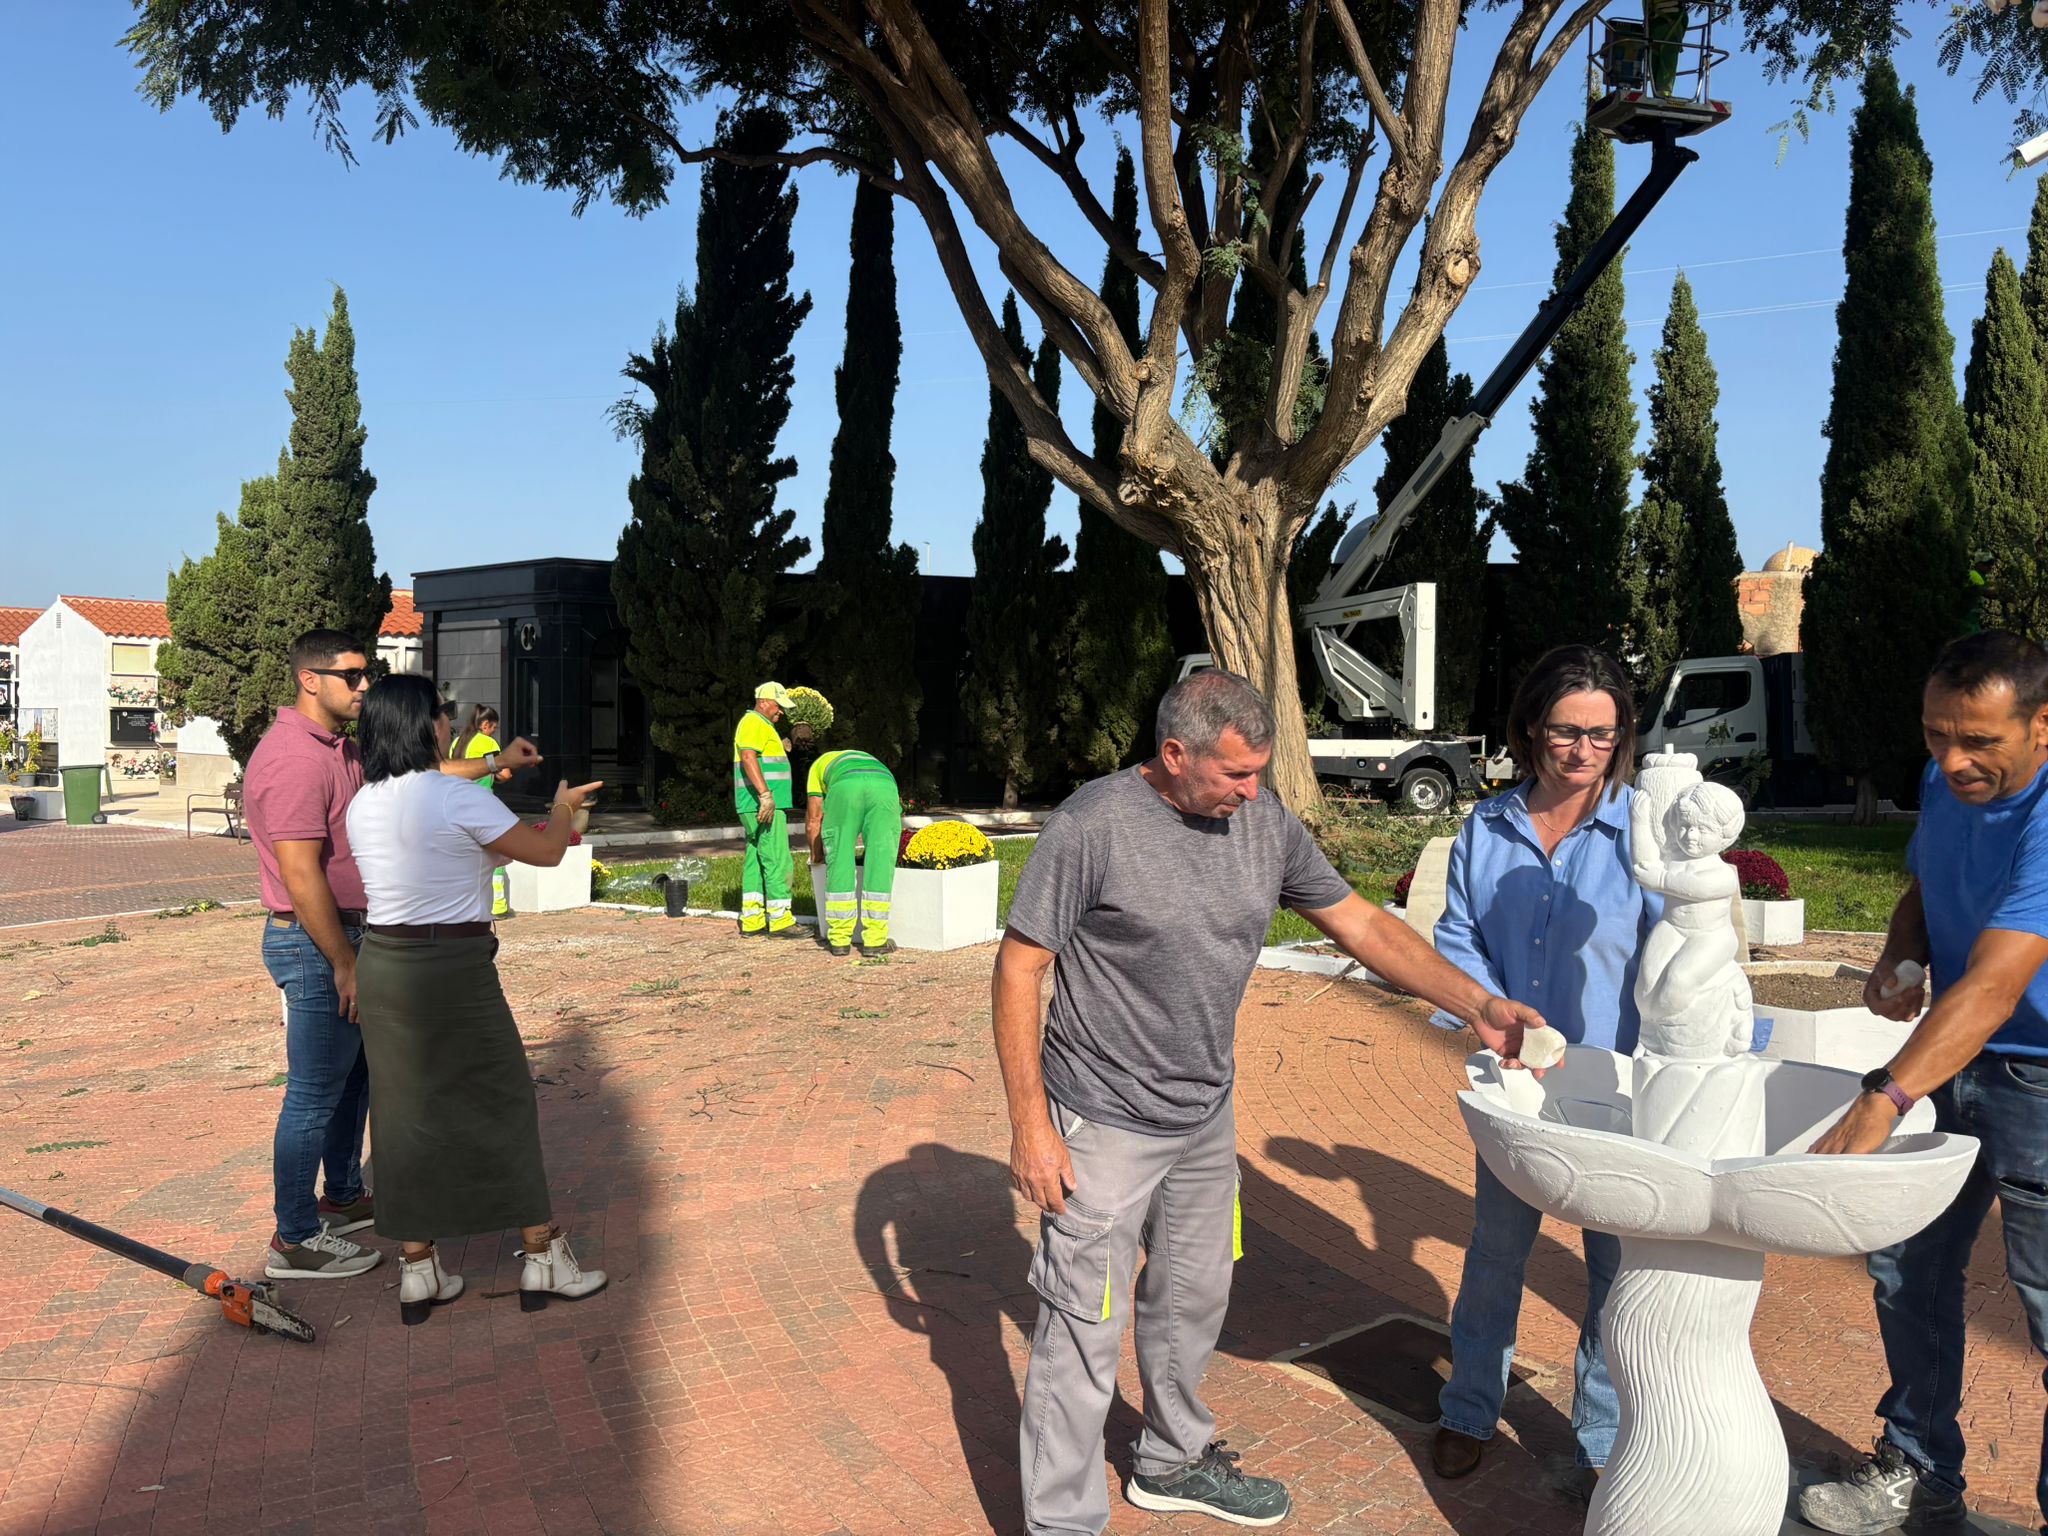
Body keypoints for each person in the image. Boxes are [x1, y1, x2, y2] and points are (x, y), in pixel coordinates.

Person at [995, 669, 1549, 1535]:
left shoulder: (1262, 824)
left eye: (1260, 773)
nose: (1253, 794)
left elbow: (1360, 923)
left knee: (1193, 1299)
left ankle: (1172, 1463)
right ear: (1174, 754)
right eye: (1235, 776)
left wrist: (1478, 1005)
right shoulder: (1093, 825)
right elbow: (1022, 965)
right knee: (1080, 1330)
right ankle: (1063, 1521)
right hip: (1099, 1117)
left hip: (1203, 1117)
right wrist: (1031, 1124)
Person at [1800, 631, 2048, 1536]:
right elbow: (1923, 882)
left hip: (2040, 1083)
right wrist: (1901, 953)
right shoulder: (1945, 785)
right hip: (1957, 1062)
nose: (1952, 759)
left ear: (2043, 725)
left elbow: (1994, 982)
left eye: (1978, 739)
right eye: (1937, 734)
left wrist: (1884, 1095)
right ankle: (1920, 1468)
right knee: (1909, 1268)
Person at [1430, 644, 1659, 1483]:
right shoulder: (1486, 829)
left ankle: (1600, 1440)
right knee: (1496, 1254)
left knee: (1613, 1269)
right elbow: (1457, 938)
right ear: (1532, 730)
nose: (1584, 752)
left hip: (1618, 1088)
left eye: (1604, 735)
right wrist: (1493, 1021)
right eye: (1567, 732)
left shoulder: (1643, 833)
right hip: (1518, 1086)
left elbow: (1677, 951)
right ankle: (1470, 1408)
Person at [245, 632, 538, 1282]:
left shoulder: (340, 750)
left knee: (357, 1081)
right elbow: (301, 875)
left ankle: (343, 1195)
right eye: (351, 676)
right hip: (316, 940)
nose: (364, 687)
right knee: (315, 1091)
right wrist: (345, 963)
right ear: (309, 681)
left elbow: (421, 781)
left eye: (366, 675)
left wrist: (495, 765)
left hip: (355, 938)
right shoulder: (293, 759)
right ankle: (294, 1239)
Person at [345, 672, 608, 1324]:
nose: (446, 721)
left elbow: (445, 825)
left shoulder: (366, 803)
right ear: (425, 725)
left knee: (403, 1110)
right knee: (501, 1099)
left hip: (383, 961)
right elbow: (546, 852)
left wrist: (495, 771)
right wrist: (565, 807)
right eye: (440, 713)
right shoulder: (455, 799)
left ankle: (418, 1265)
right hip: (454, 965)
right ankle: (541, 1253)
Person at [805, 747, 903, 957]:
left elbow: (814, 820)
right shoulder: (867, 758)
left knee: (839, 857)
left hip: (845, 788)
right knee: (881, 859)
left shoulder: (817, 767)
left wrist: (817, 855)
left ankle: (839, 940)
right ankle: (875, 941)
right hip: (885, 784)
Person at [734, 683, 801, 938]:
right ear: (763, 702)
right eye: (778, 705)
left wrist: (779, 743)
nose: (781, 711)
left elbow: (760, 756)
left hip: (752, 804)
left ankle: (752, 920)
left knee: (756, 858)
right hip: (763, 804)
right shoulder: (753, 723)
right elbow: (749, 757)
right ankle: (781, 919)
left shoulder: (760, 725)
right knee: (777, 858)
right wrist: (765, 795)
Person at [453, 704, 513, 919]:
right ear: (485, 724)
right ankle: (498, 905)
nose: (493, 732)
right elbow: (505, 774)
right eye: (493, 728)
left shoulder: (457, 743)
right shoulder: (487, 742)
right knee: (495, 853)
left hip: (457, 806)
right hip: (483, 806)